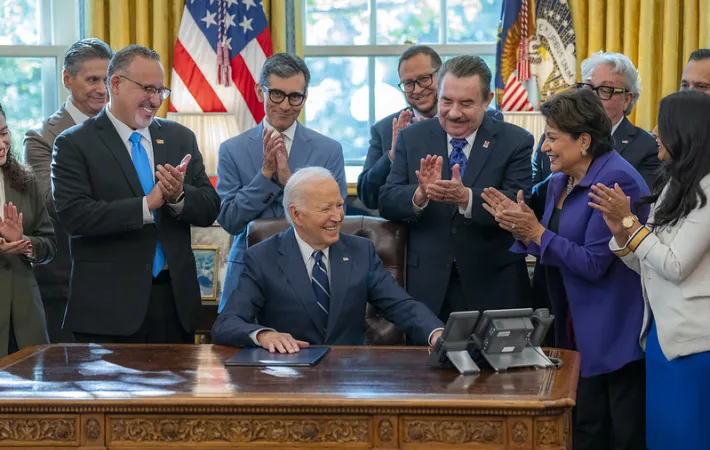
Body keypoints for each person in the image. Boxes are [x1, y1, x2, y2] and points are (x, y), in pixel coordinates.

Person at [482, 88, 648, 450]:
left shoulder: (618, 182)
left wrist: (536, 232)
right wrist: (520, 227)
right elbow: (547, 243)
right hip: (571, 321)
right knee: (582, 428)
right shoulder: (560, 179)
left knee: (617, 434)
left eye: (553, 137)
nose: (544, 147)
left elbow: (593, 263)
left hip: (612, 330)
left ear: (584, 140)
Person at [51, 45, 220, 344]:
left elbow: (209, 207)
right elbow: (73, 217)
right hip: (108, 311)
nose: (154, 99)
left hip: (175, 305)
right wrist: (146, 205)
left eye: (160, 90)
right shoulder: (74, 144)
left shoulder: (180, 137)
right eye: (146, 89)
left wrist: (179, 196)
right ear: (115, 84)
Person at [589, 90, 710, 450]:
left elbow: (673, 265)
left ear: (686, 130)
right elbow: (646, 264)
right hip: (660, 335)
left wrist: (630, 221)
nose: (655, 130)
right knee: (661, 438)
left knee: (688, 439)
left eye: (663, 123)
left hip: (694, 345)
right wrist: (619, 229)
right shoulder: (674, 183)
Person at [211, 167, 444, 352]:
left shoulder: (360, 251)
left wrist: (436, 333)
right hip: (287, 376)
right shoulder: (262, 257)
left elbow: (401, 305)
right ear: (296, 214)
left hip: (350, 377)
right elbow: (226, 324)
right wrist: (263, 335)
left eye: (340, 205)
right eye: (325, 209)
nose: (338, 216)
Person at [378, 55, 533, 322]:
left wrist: (467, 198)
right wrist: (419, 195)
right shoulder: (411, 137)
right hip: (428, 287)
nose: (454, 112)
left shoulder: (515, 141)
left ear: (486, 101)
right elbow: (387, 200)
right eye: (446, 101)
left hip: (494, 285)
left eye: (466, 103)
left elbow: (519, 202)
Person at [216, 53, 346, 313]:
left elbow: (334, 219)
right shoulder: (232, 149)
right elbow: (230, 221)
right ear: (259, 91)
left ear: (305, 98)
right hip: (249, 274)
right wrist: (265, 176)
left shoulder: (328, 150)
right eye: (276, 94)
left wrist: (290, 183)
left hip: (310, 275)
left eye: (295, 96)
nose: (285, 105)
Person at [23, 38, 113, 343]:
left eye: (107, 79)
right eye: (92, 80)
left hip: (123, 284)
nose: (102, 89)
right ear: (67, 79)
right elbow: (53, 203)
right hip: (66, 287)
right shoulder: (41, 139)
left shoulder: (132, 132)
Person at [357, 45, 503, 210]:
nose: (417, 89)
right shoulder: (386, 129)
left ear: (441, 76)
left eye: (424, 79)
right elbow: (367, 196)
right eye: (408, 83)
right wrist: (392, 155)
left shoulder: (488, 120)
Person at [532, 52, 660, 190]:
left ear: (626, 100)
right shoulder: (553, 140)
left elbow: (640, 204)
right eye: (588, 88)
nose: (592, 97)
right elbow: (534, 195)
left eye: (605, 90)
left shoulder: (648, 147)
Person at [0, 103, 56, 358]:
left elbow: (49, 245)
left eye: (3, 133)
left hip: (24, 317)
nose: (2, 144)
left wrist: (24, 241)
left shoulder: (24, 179)